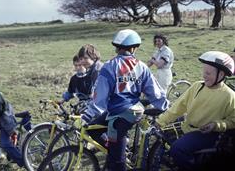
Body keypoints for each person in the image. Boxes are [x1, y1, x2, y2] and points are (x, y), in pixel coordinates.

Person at [79, 29, 169, 171]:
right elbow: (155, 92)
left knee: (117, 162)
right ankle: (117, 147)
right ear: (134, 48)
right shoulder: (142, 67)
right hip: (128, 111)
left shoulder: (109, 66)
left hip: (121, 115)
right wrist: (166, 107)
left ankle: (118, 153)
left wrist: (87, 114)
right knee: (93, 128)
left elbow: (100, 96)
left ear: (117, 47)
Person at [156, 51, 235, 171]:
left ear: (221, 75)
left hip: (208, 135)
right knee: (164, 139)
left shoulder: (229, 96)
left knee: (177, 149)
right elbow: (178, 107)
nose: (204, 76)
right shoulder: (197, 86)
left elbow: (233, 121)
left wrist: (216, 125)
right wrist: (160, 121)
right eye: (204, 72)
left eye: (208, 73)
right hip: (187, 127)